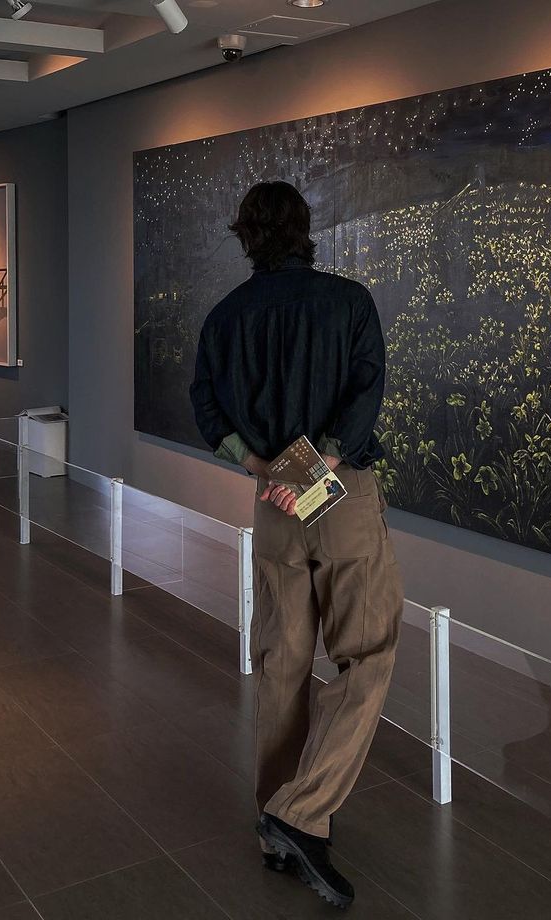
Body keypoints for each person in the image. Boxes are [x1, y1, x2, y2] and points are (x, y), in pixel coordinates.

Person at [189, 180, 404, 910]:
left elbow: (204, 404)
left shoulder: (225, 318)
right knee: (367, 656)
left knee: (282, 664)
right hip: (339, 495)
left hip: (277, 500)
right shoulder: (349, 302)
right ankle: (300, 812)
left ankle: (275, 828)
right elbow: (367, 390)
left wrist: (259, 465)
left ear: (244, 235)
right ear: (306, 231)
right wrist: (328, 459)